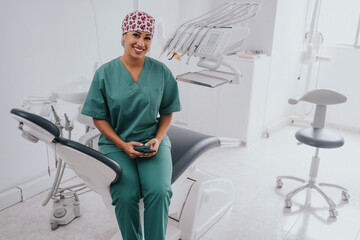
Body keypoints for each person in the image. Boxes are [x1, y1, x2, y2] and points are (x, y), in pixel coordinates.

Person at [81, 10, 181, 240]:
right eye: (136, 35)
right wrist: (123, 145)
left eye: (147, 37)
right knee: (125, 195)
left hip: (152, 140)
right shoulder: (105, 73)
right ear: (124, 36)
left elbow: (167, 113)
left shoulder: (161, 71)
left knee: (160, 191)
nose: (141, 42)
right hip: (116, 143)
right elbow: (99, 118)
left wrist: (158, 138)